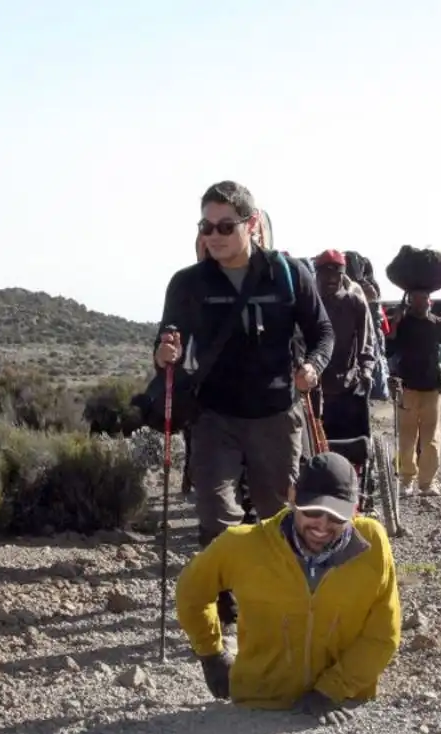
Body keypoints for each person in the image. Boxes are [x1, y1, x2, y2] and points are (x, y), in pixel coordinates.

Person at [154, 181, 334, 624]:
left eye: (225, 226)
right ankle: (229, 603)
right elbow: (168, 341)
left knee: (277, 515)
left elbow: (323, 332)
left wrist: (312, 367)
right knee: (216, 513)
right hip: (214, 415)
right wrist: (164, 354)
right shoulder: (188, 283)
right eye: (206, 226)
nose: (213, 235)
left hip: (275, 414)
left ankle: (277, 597)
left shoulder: (288, 274)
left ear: (251, 224)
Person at [175, 451, 401, 724]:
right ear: (293, 496)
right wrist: (210, 653)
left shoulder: (373, 545)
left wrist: (332, 689)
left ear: (355, 509)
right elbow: (191, 591)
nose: (322, 525)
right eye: (312, 510)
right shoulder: (242, 546)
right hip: (259, 707)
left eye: (336, 516)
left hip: (345, 705)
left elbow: (383, 632)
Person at [385, 289, 441, 497]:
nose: (419, 302)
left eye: (423, 298)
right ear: (410, 302)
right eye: (415, 299)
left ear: (430, 301)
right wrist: (394, 324)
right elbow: (388, 350)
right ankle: (407, 481)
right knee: (407, 437)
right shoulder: (403, 323)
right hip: (406, 388)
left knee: (431, 439)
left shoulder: (440, 325)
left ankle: (427, 483)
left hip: (432, 389)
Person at [314, 249, 376, 441]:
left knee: (354, 445)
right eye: (326, 274)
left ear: (342, 275)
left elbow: (367, 343)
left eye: (336, 274)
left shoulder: (355, 303)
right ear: (318, 275)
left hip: (349, 385)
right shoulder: (311, 304)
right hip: (317, 387)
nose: (331, 278)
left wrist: (366, 371)